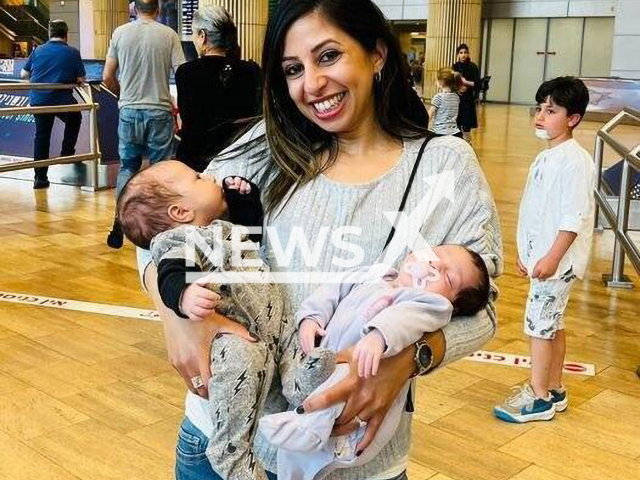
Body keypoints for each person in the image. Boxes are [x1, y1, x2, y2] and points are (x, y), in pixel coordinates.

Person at [138, 1, 502, 479]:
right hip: (223, 442)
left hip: (350, 459)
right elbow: (157, 234)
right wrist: (176, 316)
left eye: (328, 56)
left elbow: (484, 305)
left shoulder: (445, 165)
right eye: (293, 69)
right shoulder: (263, 147)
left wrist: (410, 356)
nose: (311, 85)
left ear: (376, 54)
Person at [119, 160, 333, 480]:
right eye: (197, 177)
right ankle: (231, 451)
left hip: (272, 318)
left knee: (292, 338)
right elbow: (170, 273)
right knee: (240, 365)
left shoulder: (223, 228)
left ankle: (299, 383)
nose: (210, 175)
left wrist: (245, 198)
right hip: (233, 334)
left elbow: (252, 232)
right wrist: (184, 296)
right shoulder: (179, 240)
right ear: (180, 212)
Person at [259, 245, 491, 480]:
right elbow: (332, 290)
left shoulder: (431, 303)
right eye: (436, 254)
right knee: (290, 460)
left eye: (449, 277)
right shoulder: (374, 274)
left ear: (454, 304)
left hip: (363, 388)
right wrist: (311, 317)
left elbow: (406, 319)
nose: (436, 265)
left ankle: (310, 426)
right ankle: (303, 428)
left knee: (348, 376)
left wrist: (379, 335)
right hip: (320, 369)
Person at [494, 77, 594, 423]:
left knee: (538, 326)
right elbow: (537, 211)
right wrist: (527, 251)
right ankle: (554, 386)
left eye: (551, 110)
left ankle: (539, 398)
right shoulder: (548, 156)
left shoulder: (575, 161)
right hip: (544, 258)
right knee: (553, 323)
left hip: (557, 262)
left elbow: (573, 216)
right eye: (539, 109)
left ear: (573, 118)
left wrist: (551, 257)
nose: (540, 116)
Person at [103, 0, 185, 249]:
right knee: (160, 170)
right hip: (159, 110)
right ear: (158, 11)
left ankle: (119, 220)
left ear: (134, 9)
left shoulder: (120, 33)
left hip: (129, 110)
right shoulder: (168, 34)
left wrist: (123, 97)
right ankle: (160, 228)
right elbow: (182, 73)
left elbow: (108, 76)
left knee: (128, 167)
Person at [175, 6, 262, 172]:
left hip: (195, 164)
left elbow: (188, 120)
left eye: (194, 33)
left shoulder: (187, 73)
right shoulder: (251, 71)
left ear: (202, 36)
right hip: (240, 164)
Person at [20, 20, 86, 189]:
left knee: (42, 136)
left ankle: (40, 179)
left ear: (49, 34)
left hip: (39, 100)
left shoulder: (38, 50)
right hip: (61, 100)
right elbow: (81, 80)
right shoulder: (73, 53)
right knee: (75, 117)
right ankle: (67, 153)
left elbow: (23, 74)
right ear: (66, 34)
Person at [452, 43, 480, 143]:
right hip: (457, 99)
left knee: (467, 126)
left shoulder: (473, 67)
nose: (463, 55)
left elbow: (477, 84)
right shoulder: (454, 66)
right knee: (457, 124)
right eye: (461, 52)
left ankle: (468, 144)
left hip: (468, 99)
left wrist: (465, 82)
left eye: (465, 52)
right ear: (457, 54)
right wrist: (458, 88)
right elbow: (451, 82)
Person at [428, 67, 462, 138]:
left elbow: (429, 115)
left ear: (441, 82)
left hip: (439, 132)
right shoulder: (456, 97)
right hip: (455, 132)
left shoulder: (438, 97)